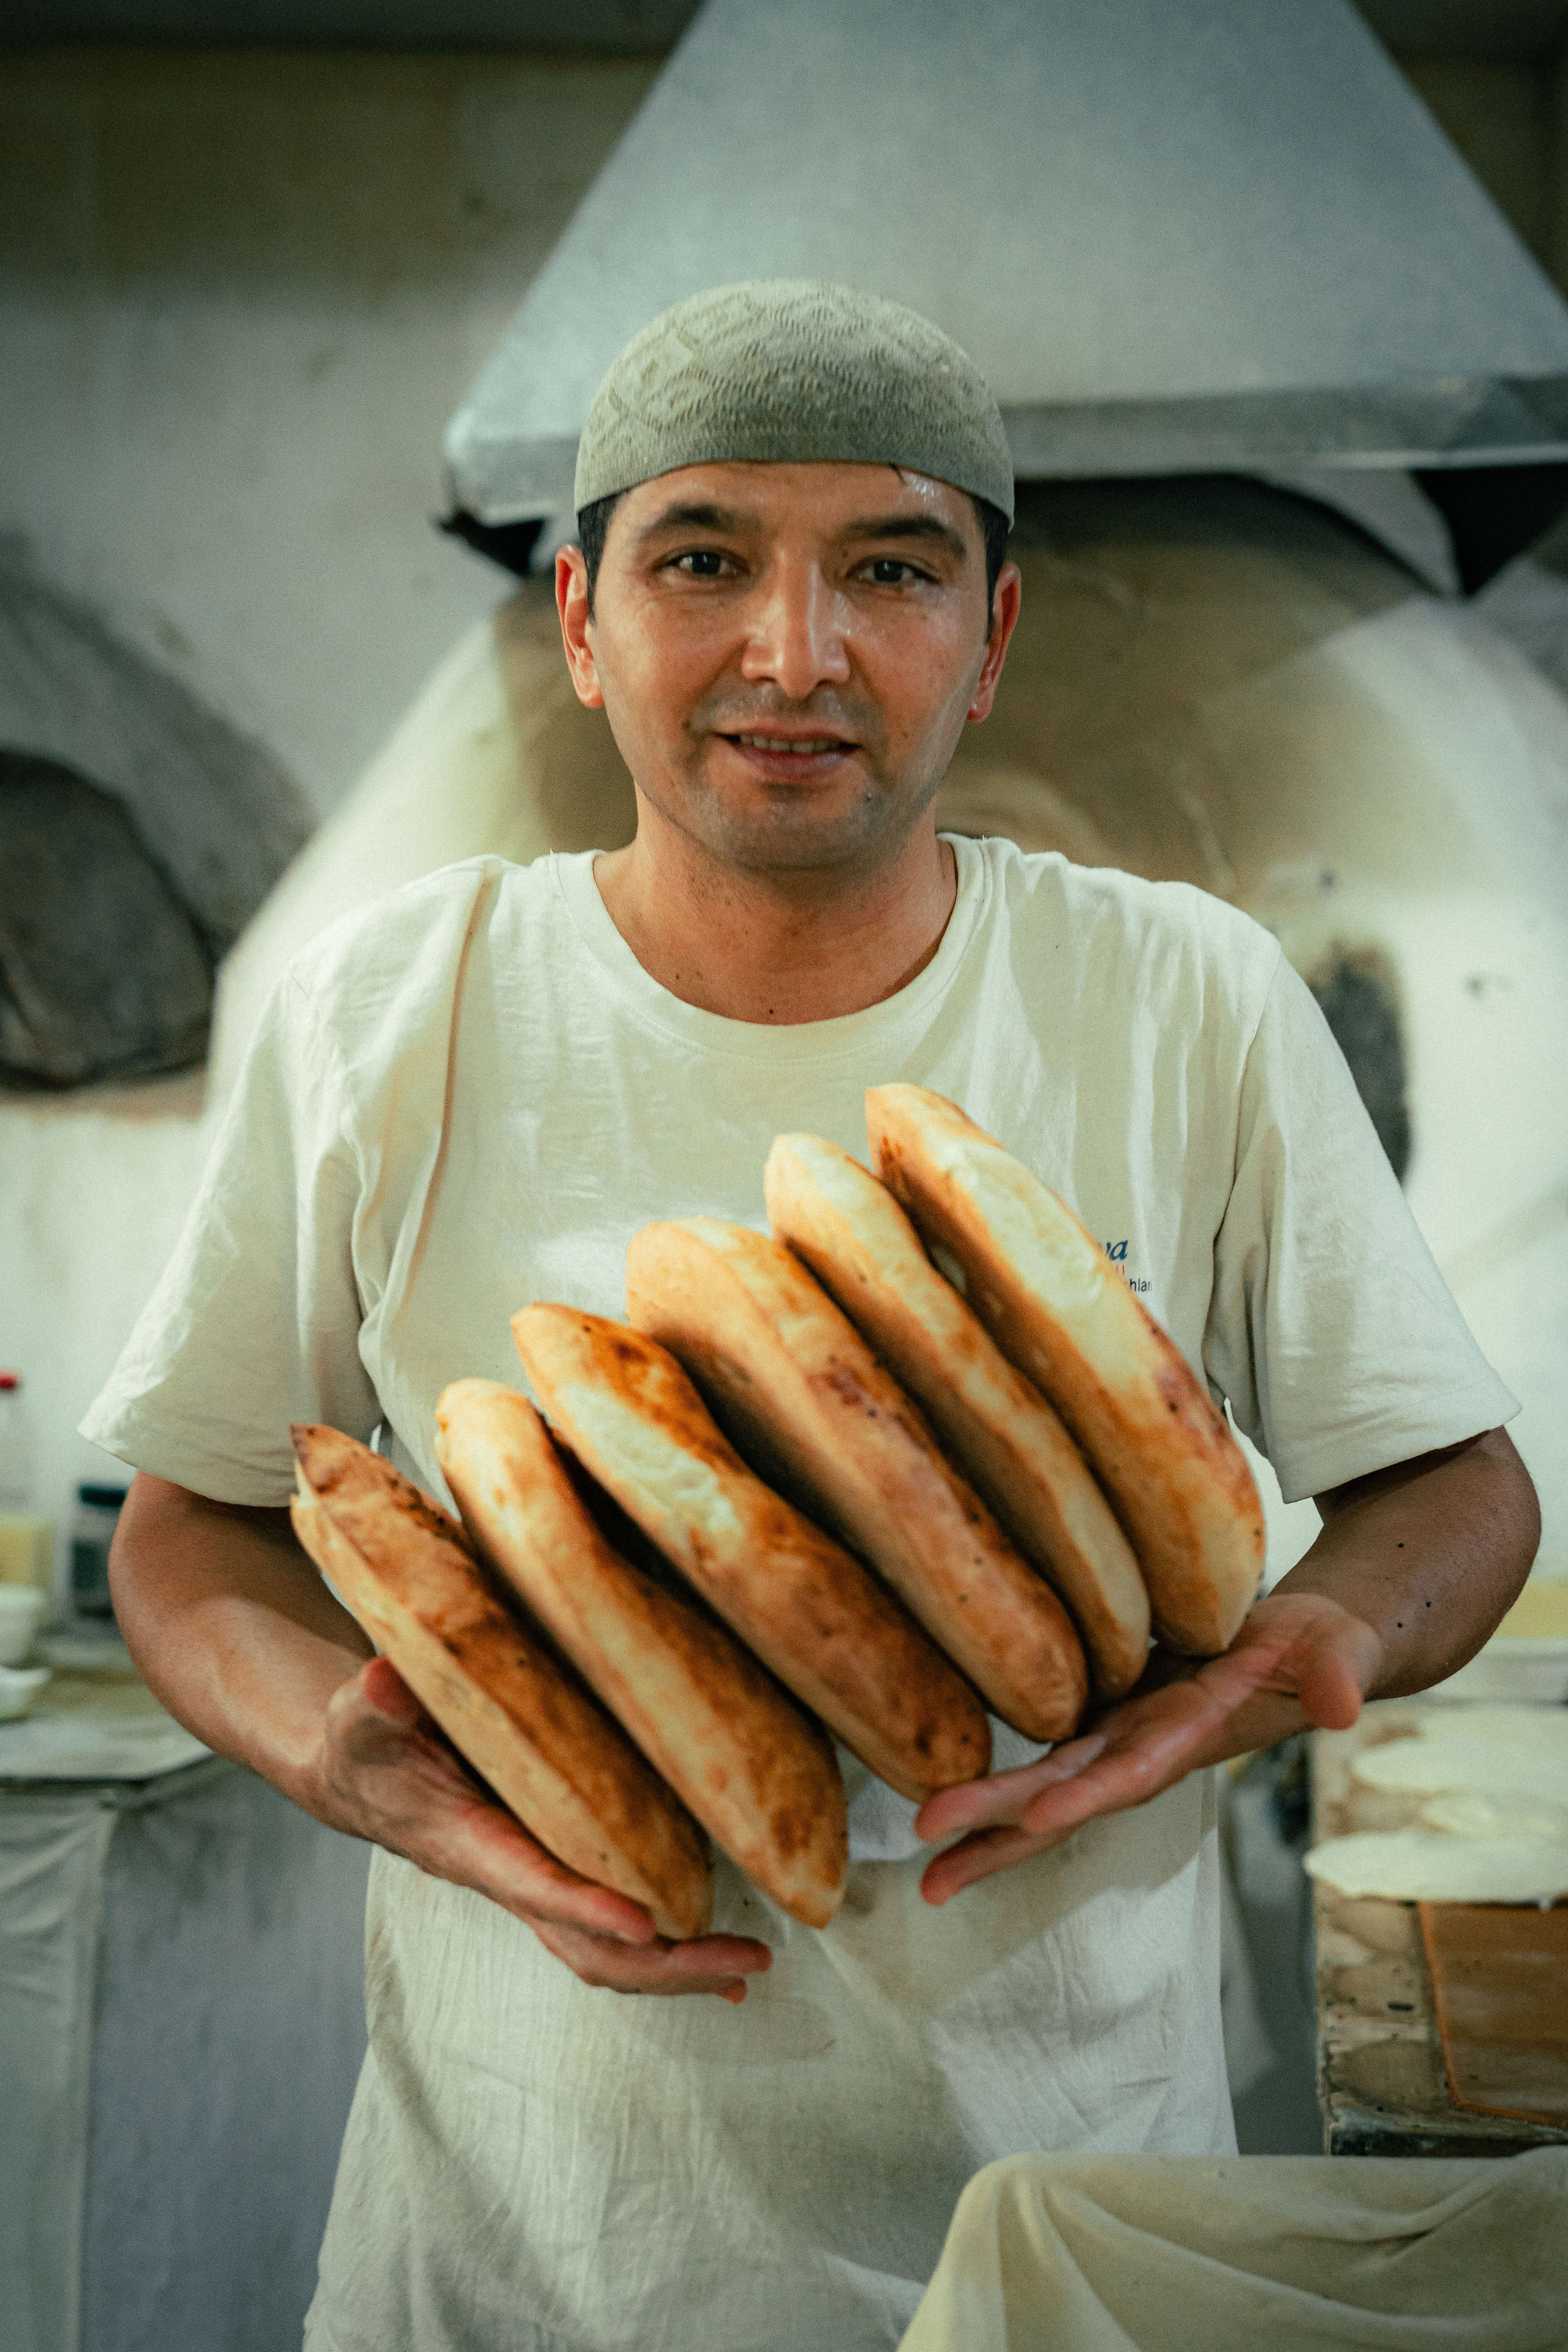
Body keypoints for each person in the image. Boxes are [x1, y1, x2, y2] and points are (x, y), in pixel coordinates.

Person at [88, 280, 1537, 2352]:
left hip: (1065, 2241)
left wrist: (1331, 1630)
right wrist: (342, 1748)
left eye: (891, 568)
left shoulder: (1180, 995)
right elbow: (195, 1525)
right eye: (705, 560)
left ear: (992, 638)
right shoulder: (391, 1013)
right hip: (518, 2258)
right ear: (581, 623)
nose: (799, 651)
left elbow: (1455, 1490)